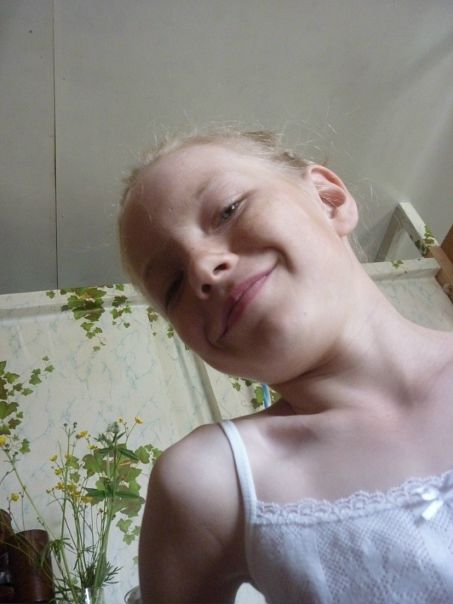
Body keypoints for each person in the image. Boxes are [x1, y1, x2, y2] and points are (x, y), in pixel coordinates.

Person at [118, 129, 453, 604]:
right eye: (172, 287)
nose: (201, 269)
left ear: (329, 199)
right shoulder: (209, 483)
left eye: (229, 210)